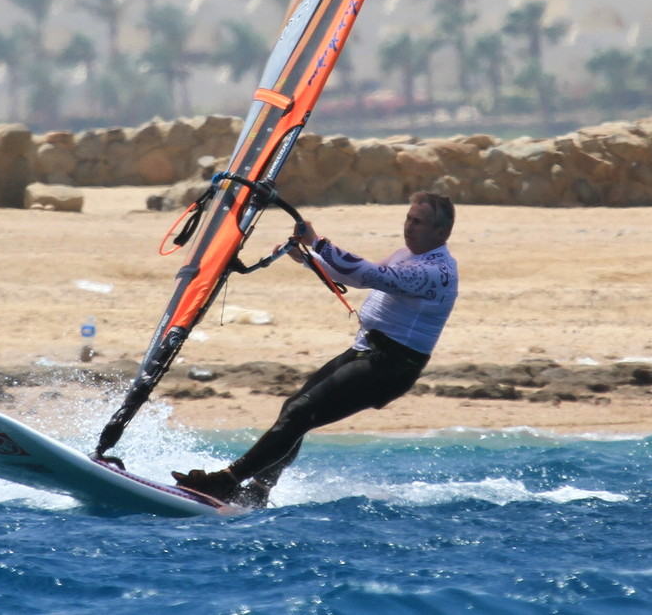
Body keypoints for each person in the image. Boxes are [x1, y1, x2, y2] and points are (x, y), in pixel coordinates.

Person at [173, 190, 458, 507]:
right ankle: (258, 491)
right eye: (409, 218)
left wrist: (317, 243)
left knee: (299, 413)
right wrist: (308, 259)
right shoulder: (408, 255)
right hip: (368, 351)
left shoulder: (437, 273)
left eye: (419, 222)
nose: (409, 227)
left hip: (391, 366)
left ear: (442, 232)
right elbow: (356, 276)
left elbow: (368, 275)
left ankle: (224, 482)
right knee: (293, 408)